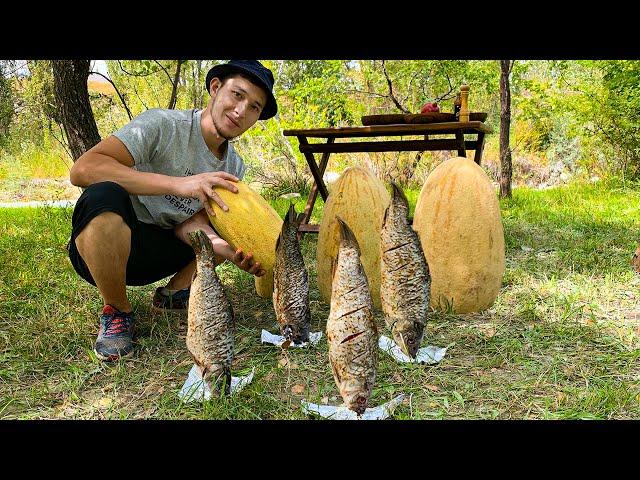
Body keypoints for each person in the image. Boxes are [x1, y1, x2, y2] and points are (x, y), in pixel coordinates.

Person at [68, 60, 278, 361]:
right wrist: (179, 184)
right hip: (108, 246)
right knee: (103, 194)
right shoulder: (162, 125)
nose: (241, 111)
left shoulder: (234, 167)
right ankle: (117, 310)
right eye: (238, 94)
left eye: (254, 107)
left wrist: (230, 251)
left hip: (164, 249)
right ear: (215, 87)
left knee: (228, 217)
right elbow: (83, 169)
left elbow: (190, 223)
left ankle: (174, 293)